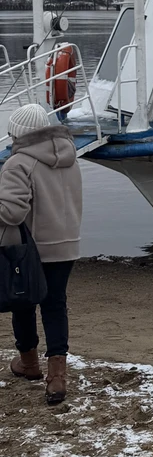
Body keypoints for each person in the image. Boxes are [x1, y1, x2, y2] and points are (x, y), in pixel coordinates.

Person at [0, 103, 83, 405]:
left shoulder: (18, 163)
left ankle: (30, 364)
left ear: (19, 133)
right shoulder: (70, 157)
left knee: (22, 303)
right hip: (67, 244)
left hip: (29, 250)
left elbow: (11, 211)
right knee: (55, 304)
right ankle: (57, 378)